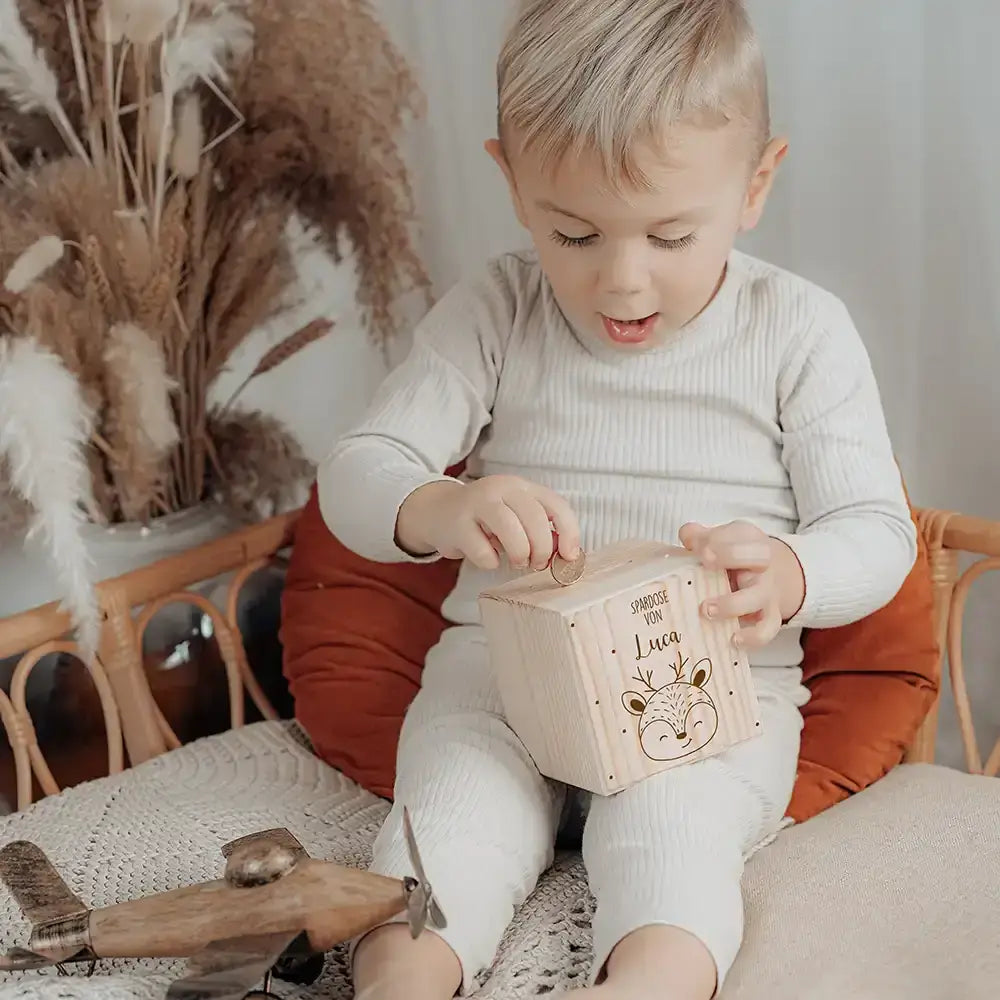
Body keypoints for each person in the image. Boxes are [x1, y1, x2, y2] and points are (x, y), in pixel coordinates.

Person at [317, 1, 916, 997]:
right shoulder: (496, 310)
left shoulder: (798, 330)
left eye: (672, 235)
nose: (623, 282)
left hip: (702, 691)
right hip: (500, 675)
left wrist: (792, 571)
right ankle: (400, 982)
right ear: (510, 176)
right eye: (576, 232)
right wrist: (440, 506)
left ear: (756, 182)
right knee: (441, 837)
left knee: (673, 843)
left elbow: (877, 533)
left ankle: (646, 982)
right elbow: (356, 468)